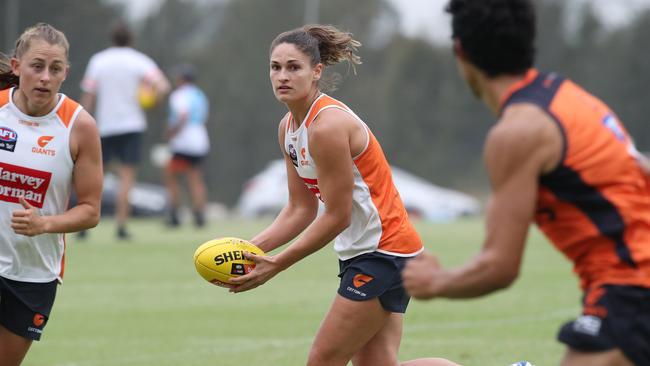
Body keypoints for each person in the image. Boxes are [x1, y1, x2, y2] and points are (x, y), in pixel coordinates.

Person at [401, 1, 650, 365]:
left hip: (631, 289)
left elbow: (500, 267)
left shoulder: (517, 132)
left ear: (461, 52)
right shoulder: (571, 98)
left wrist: (434, 282)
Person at [227, 25, 457, 366]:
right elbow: (299, 208)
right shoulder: (288, 129)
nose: (282, 76)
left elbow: (337, 216)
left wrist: (276, 264)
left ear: (316, 71)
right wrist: (248, 251)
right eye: (276, 67)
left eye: (294, 67)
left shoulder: (327, 126)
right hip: (365, 252)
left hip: (384, 253)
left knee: (321, 361)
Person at [0, 23, 102, 365]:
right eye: (37, 66)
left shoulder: (80, 126)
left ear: (65, 74)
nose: (45, 76)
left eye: (55, 69)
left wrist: (44, 224)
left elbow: (90, 210)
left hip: (33, 274)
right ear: (17, 67)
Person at [80, 20, 170, 239]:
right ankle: (121, 226)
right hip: (132, 125)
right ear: (131, 39)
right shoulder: (138, 61)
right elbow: (163, 86)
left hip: (105, 126)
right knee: (127, 178)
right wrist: (153, 101)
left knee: (94, 176)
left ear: (112, 38)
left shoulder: (99, 61)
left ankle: (83, 225)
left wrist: (80, 121)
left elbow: (89, 95)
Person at [163, 64, 210, 228]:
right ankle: (199, 215)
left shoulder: (179, 94)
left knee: (172, 177)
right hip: (200, 140)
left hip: (184, 142)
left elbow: (183, 115)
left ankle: (174, 214)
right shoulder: (199, 94)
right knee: (196, 179)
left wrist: (172, 132)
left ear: (182, 79)